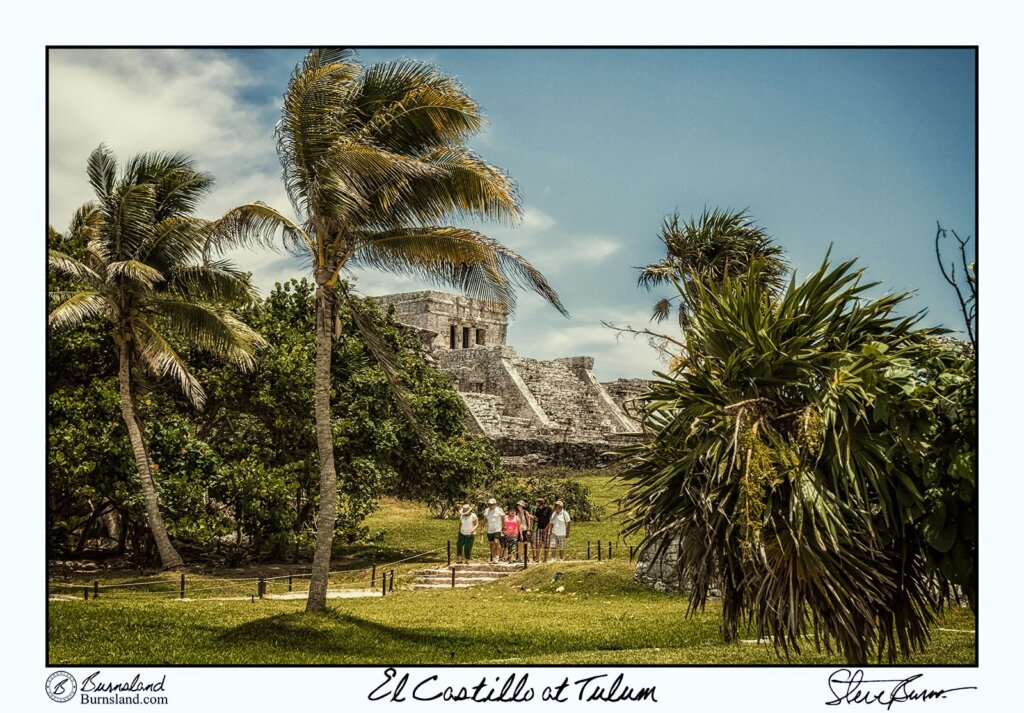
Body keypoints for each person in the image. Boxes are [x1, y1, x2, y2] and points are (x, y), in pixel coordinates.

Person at [484, 498, 505, 562]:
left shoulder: (499, 509)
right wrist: (482, 527)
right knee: (491, 543)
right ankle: (493, 557)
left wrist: (503, 526)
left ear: (495, 504)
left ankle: (497, 557)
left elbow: (503, 517)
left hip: (497, 529)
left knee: (496, 541)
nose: (491, 505)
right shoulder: (487, 510)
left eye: (492, 504)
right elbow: (484, 519)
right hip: (490, 529)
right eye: (489, 504)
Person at [533, 497, 553, 562]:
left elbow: (551, 520)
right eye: (537, 505)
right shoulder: (538, 509)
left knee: (546, 544)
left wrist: (546, 528)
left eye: (539, 505)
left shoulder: (549, 509)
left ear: (543, 504)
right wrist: (534, 518)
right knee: (538, 543)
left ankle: (545, 559)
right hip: (539, 528)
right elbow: (536, 518)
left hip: (547, 528)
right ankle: (537, 558)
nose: (538, 507)